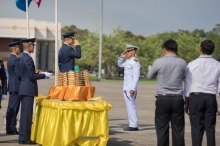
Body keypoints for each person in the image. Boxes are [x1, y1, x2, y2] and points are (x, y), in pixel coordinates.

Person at [147, 39, 187, 146]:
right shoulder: (182, 62)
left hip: (163, 98)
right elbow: (184, 77)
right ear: (176, 50)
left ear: (164, 49)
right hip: (178, 98)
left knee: (162, 129)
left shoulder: (158, 62)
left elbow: (149, 76)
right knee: (178, 129)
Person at [184, 40, 219, 146]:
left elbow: (187, 86)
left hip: (195, 98)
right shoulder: (218, 65)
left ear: (200, 49)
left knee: (196, 128)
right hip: (210, 98)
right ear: (213, 50)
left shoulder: (191, 64)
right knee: (210, 128)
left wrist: (186, 102)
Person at [18, 38, 51, 144]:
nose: (33, 47)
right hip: (28, 89)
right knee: (27, 115)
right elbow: (32, 75)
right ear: (29, 46)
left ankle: (22, 137)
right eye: (33, 46)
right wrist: (44, 75)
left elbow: (21, 75)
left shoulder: (22, 57)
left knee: (24, 115)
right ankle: (25, 138)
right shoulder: (27, 58)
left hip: (24, 88)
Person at [118, 44, 141, 131]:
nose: (127, 52)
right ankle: (131, 124)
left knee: (131, 105)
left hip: (130, 88)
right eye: (127, 51)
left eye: (129, 51)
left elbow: (136, 77)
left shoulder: (136, 63)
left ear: (134, 51)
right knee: (129, 106)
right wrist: (121, 57)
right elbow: (120, 64)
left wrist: (133, 89)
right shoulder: (128, 62)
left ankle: (134, 125)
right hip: (126, 87)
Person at [6, 41, 22, 135]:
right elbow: (19, 74)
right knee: (14, 108)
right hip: (16, 86)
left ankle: (10, 127)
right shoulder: (15, 59)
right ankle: (11, 128)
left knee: (12, 108)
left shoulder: (11, 58)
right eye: (18, 48)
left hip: (12, 86)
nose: (20, 49)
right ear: (15, 49)